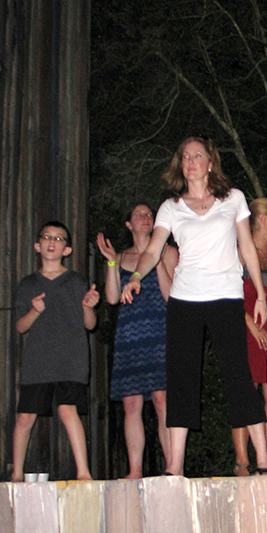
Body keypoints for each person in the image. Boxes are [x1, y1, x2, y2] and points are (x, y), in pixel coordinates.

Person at [120, 136, 267, 476]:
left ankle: (263, 460)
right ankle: (175, 467)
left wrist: (260, 294)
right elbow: (153, 250)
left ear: (209, 162)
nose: (191, 160)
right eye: (185, 155)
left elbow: (247, 247)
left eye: (197, 155)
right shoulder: (170, 207)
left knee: (238, 375)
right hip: (185, 298)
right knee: (182, 379)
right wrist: (134, 277)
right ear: (181, 164)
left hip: (226, 294)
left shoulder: (232, 198)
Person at [12, 221, 100, 482]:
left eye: (59, 238)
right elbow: (20, 326)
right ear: (38, 245)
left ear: (67, 249)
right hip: (38, 360)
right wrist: (35, 310)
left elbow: (90, 324)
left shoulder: (75, 281)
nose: (52, 241)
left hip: (70, 358)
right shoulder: (28, 283)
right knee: (25, 415)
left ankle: (83, 472)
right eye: (47, 237)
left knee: (67, 409)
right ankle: (16, 473)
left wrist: (88, 306)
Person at [97, 205, 177, 479]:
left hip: (161, 332)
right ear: (129, 224)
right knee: (131, 404)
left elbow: (171, 296)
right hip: (130, 335)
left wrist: (158, 261)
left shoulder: (166, 252)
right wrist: (110, 262)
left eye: (149, 214)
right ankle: (134, 470)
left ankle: (171, 467)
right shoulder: (119, 257)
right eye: (138, 214)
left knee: (162, 400)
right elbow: (111, 298)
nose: (145, 217)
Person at [231, 197, 267, 475]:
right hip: (247, 328)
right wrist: (252, 327)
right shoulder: (240, 251)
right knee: (246, 392)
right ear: (262, 219)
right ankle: (242, 460)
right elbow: (228, 295)